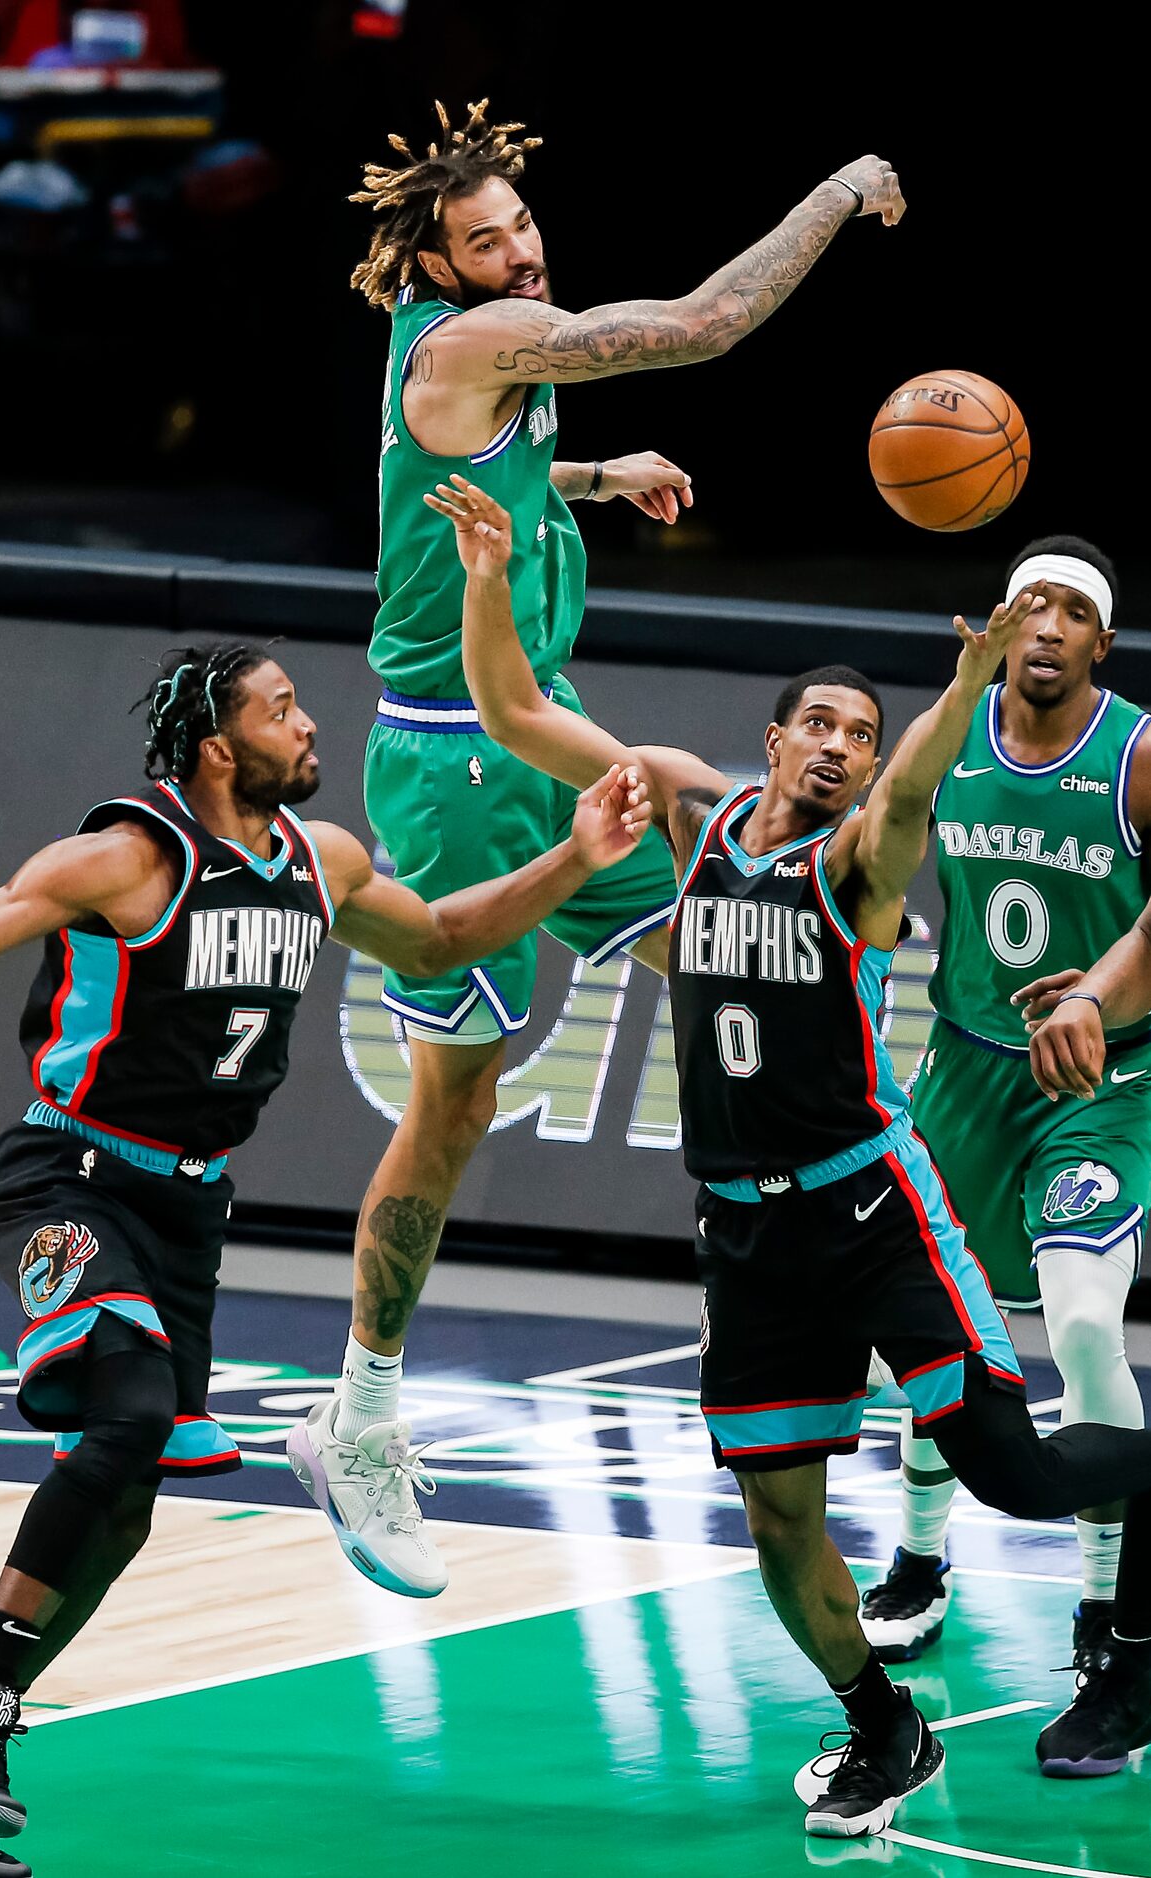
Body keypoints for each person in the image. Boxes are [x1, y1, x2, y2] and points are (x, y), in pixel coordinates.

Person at [0, 640, 650, 1878]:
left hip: (189, 1211)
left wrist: (577, 857)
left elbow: (442, 942)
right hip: (71, 1174)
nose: (309, 724)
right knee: (123, 1411)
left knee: (125, 1501)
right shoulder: (133, 857)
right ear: (224, 746)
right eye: (282, 710)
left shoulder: (320, 861)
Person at [432, 475, 1151, 1838]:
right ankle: (886, 1726)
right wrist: (482, 574)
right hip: (745, 1236)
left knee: (1014, 1467)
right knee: (776, 1525)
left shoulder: (866, 859)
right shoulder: (693, 835)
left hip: (873, 1207)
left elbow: (925, 774)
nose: (836, 747)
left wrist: (964, 676)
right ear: (769, 739)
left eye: (858, 735)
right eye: (815, 724)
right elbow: (517, 714)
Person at [295, 100, 905, 1599]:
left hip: (539, 713)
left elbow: (458, 487)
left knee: (741, 938)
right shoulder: (466, 344)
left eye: (522, 223)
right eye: (486, 236)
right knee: (455, 1106)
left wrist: (580, 475)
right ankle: (356, 1410)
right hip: (452, 761)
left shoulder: (486, 354)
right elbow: (703, 322)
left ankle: (850, 1303)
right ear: (433, 263)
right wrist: (835, 185)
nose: (520, 247)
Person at [854, 538, 1151, 1769]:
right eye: (1030, 602)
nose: (1045, 624)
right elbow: (882, 832)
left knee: (1084, 1330)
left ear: (1099, 644)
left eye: (1071, 611)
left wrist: (1098, 1000)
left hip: (1104, 1078)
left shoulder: (1135, 753)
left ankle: (1106, 1608)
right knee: (929, 1334)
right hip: (967, 1067)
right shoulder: (955, 723)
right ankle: (922, 1556)